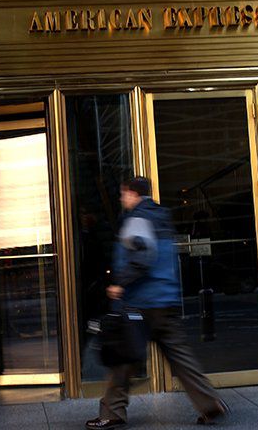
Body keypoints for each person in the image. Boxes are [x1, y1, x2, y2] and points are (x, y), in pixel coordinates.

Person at [85, 176, 229, 430]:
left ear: (133, 193)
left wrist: (120, 284)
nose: (121, 198)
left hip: (141, 302)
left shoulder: (138, 218)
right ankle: (209, 404)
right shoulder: (161, 216)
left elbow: (143, 256)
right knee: (181, 357)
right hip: (165, 298)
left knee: (122, 359)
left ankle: (112, 412)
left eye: (123, 194)